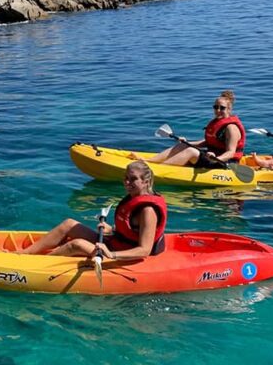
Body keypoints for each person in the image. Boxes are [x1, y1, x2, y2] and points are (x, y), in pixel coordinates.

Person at [18, 161, 167, 259]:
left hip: (122, 254)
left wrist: (111, 254)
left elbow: (144, 250)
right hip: (115, 243)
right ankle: (23, 254)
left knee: (77, 244)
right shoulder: (133, 197)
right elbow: (132, 230)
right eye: (125, 178)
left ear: (145, 181)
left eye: (133, 179)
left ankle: (40, 262)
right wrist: (113, 230)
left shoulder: (148, 210)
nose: (127, 182)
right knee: (69, 224)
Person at [146, 90, 245, 168]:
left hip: (224, 162)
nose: (218, 110)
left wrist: (216, 158)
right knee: (182, 146)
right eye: (216, 107)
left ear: (229, 109)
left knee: (191, 151)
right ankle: (150, 162)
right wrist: (187, 142)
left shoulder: (231, 128)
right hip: (211, 156)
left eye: (222, 108)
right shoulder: (217, 122)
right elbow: (208, 142)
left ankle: (160, 169)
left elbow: (231, 153)